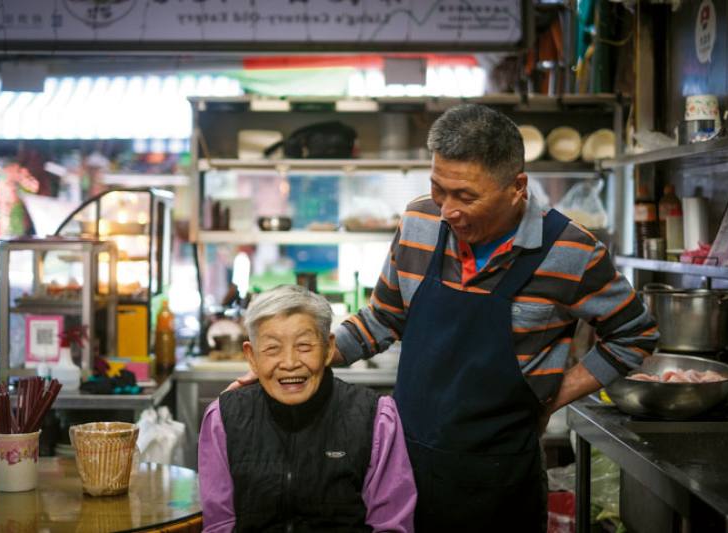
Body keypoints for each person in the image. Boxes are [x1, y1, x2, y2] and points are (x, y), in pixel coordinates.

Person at [330, 104, 659, 530]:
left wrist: (553, 394)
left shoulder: (572, 252)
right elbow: (383, 317)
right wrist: (312, 355)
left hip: (500, 483)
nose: (448, 210)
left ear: (517, 187)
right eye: (438, 189)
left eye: (466, 196)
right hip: (403, 472)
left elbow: (635, 335)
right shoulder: (418, 221)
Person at [199, 285, 416, 533]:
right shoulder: (223, 419)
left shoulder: (376, 418)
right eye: (272, 348)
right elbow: (219, 525)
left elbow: (391, 526)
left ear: (328, 349)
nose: (290, 363)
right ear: (251, 357)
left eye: (304, 346)